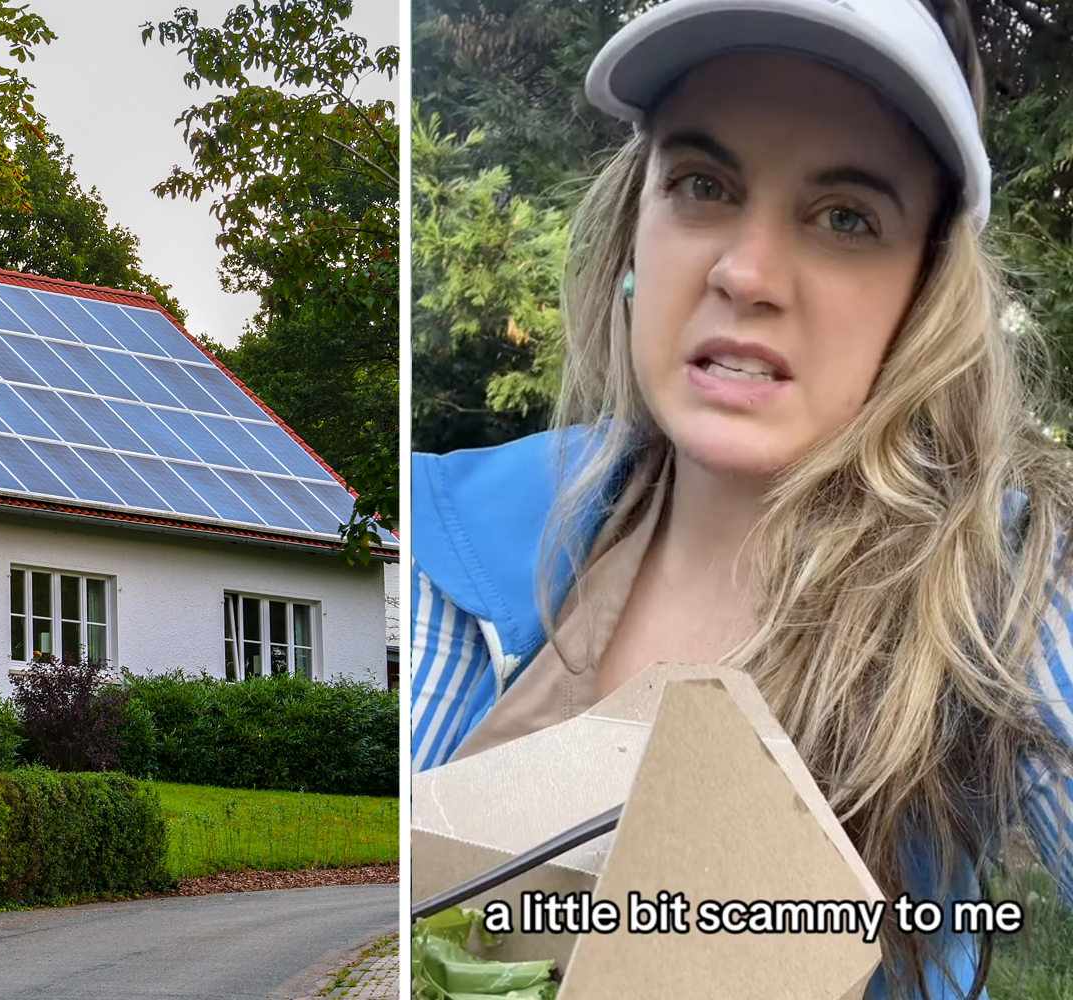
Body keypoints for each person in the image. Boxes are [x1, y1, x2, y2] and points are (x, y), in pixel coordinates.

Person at [408, 0, 1073, 997]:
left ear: (923, 294)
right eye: (700, 185)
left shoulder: (1010, 591)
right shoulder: (447, 540)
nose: (744, 271)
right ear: (634, 232)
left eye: (845, 216)